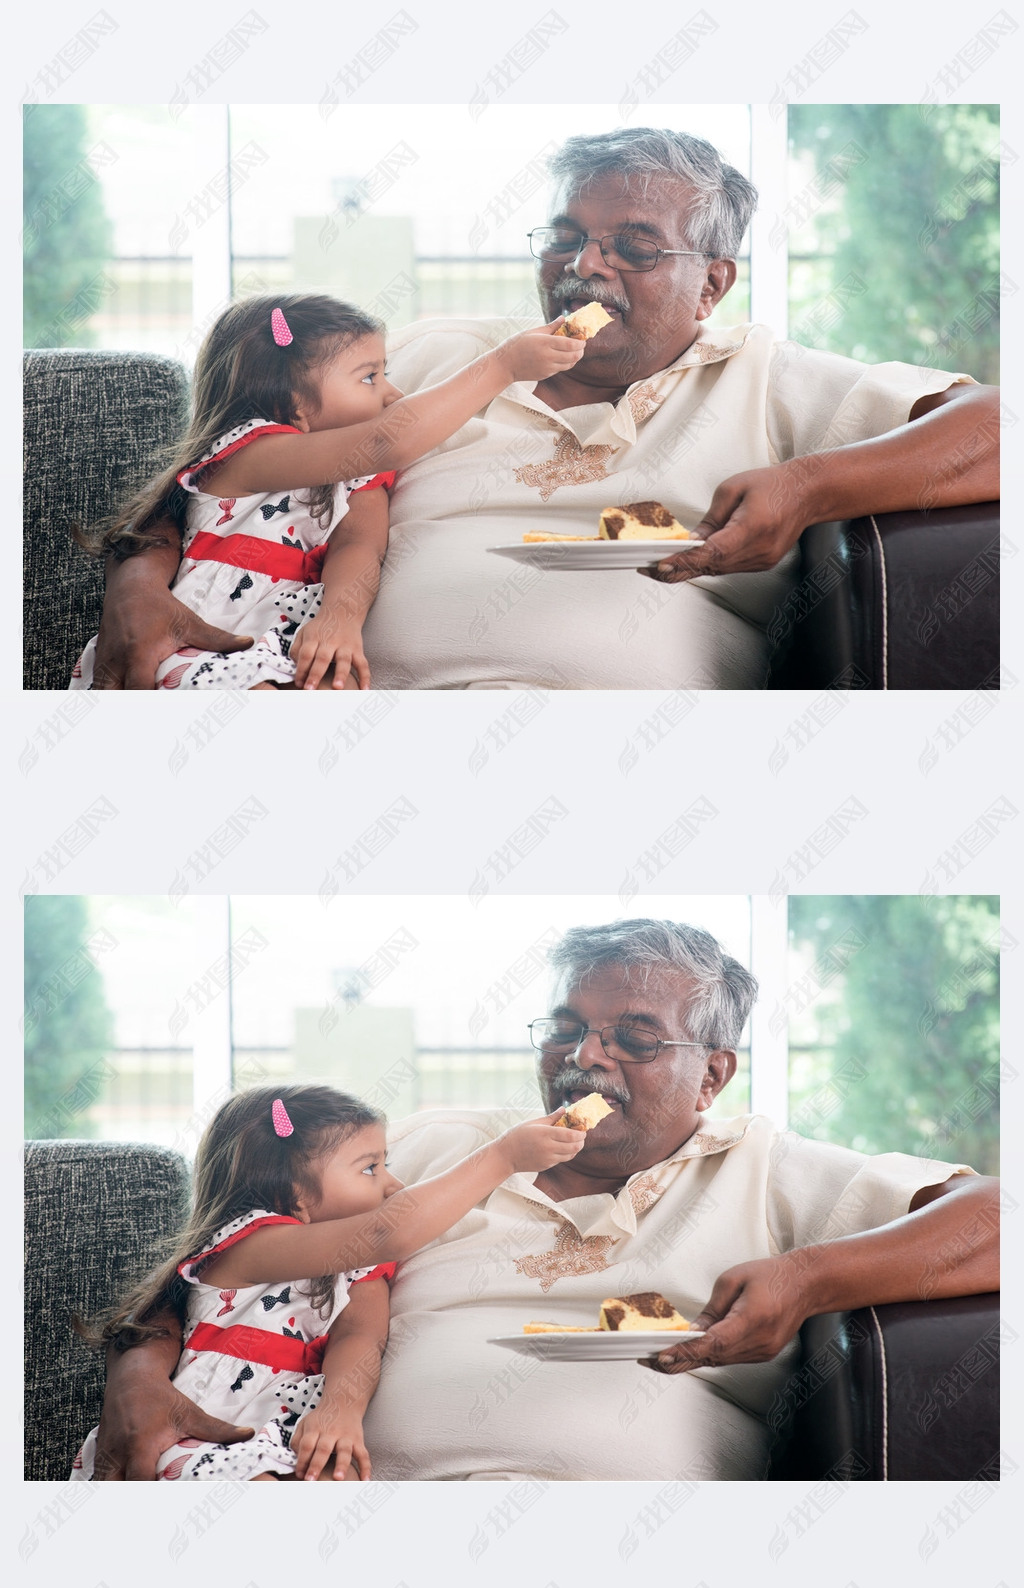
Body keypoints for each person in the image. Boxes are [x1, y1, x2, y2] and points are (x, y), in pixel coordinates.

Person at [90, 128, 999, 690]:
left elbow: (1001, 428)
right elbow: (234, 462)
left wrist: (808, 486)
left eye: (632, 248)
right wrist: (136, 585)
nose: (585, 267)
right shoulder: (435, 356)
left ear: (711, 283)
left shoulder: (773, 377)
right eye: (566, 239)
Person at [94, 922, 999, 1482]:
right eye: (567, 1029)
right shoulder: (436, 1147)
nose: (586, 1058)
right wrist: (137, 1381)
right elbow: (229, 1256)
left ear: (712, 1075)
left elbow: (1000, 1220)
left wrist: (807, 1276)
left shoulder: (770, 1168)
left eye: (634, 1039)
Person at [71, 293, 584, 690]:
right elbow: (390, 439)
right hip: (199, 644)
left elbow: (361, 546)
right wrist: (503, 366)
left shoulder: (358, 480)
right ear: (293, 402)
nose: (392, 393)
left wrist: (341, 617)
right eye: (369, 378)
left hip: (288, 644)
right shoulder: (249, 454)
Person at [72, 1083, 583, 1480]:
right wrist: (503, 1158)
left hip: (291, 1435)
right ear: (294, 1194)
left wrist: (341, 1409)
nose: (393, 1184)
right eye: (370, 1168)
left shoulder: (359, 1271)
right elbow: (391, 1230)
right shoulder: (250, 1245)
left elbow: (362, 1337)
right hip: (200, 1437)